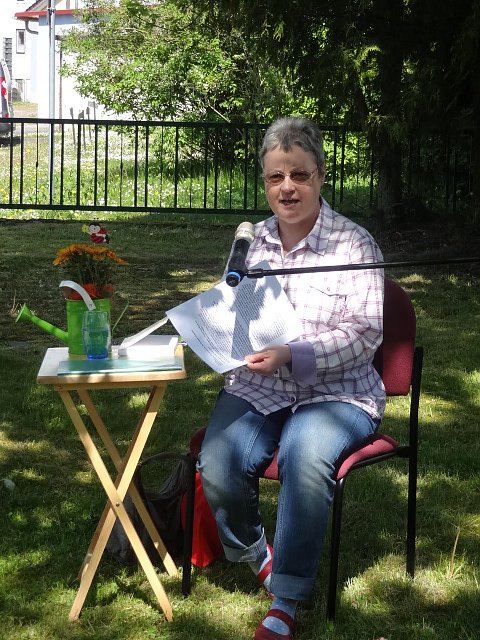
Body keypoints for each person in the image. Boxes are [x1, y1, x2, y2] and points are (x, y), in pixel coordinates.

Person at [198, 117, 385, 640]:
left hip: (338, 392)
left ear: (320, 176)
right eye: (275, 176)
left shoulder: (354, 244)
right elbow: (234, 313)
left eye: (299, 175)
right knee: (218, 459)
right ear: (264, 181)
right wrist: (215, 337)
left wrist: (290, 353)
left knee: (305, 455)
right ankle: (259, 555)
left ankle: (286, 598)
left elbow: (365, 335)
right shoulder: (251, 243)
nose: (287, 188)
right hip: (262, 386)